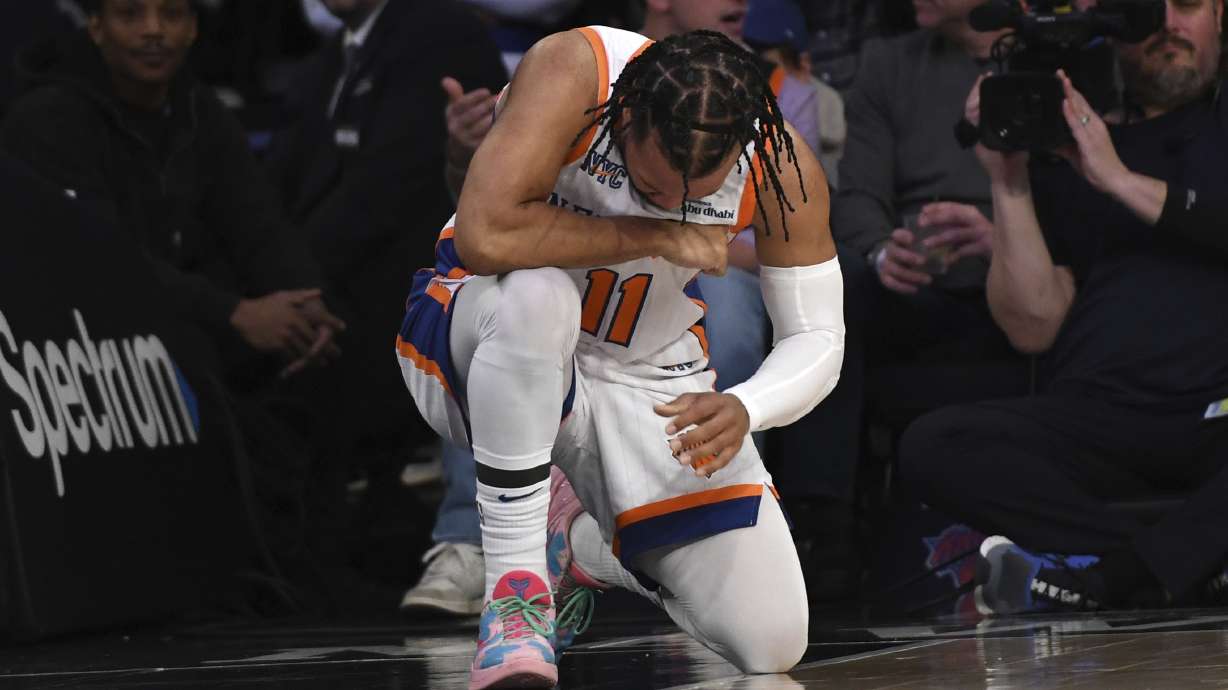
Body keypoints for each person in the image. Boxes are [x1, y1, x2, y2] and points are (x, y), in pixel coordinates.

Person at [397, 26, 843, 689]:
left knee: (771, 640)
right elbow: (485, 236)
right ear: (624, 117)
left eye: (693, 196)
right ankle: (514, 599)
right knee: (540, 295)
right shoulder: (573, 73)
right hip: (483, 335)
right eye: (655, 187)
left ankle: (576, 546)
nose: (675, 205)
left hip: (644, 371)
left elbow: (820, 338)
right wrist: (653, 234)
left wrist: (747, 405)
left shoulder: (778, 162)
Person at [900, 0, 1228, 614]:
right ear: (1116, 31)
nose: (1167, 25)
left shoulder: (1180, 136)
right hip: (1098, 414)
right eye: (1144, 10)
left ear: (1220, 16)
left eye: (1187, 5)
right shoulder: (1076, 143)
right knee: (935, 443)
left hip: (1217, 413)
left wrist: (1119, 179)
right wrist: (1008, 180)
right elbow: (1033, 325)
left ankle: (1126, 574)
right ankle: (1171, 566)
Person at [266, 0, 506, 550]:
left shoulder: (441, 34)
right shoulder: (330, 59)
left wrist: (296, 291)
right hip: (330, 289)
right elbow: (273, 189)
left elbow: (387, 196)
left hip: (411, 304)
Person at [2, 0, 344, 380]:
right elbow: (97, 263)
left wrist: (307, 298)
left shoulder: (199, 108)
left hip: (184, 344)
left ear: (193, 28)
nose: (154, 30)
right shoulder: (46, 121)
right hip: (74, 357)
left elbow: (259, 226)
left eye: (172, 15)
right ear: (96, 27)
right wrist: (233, 313)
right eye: (130, 15)